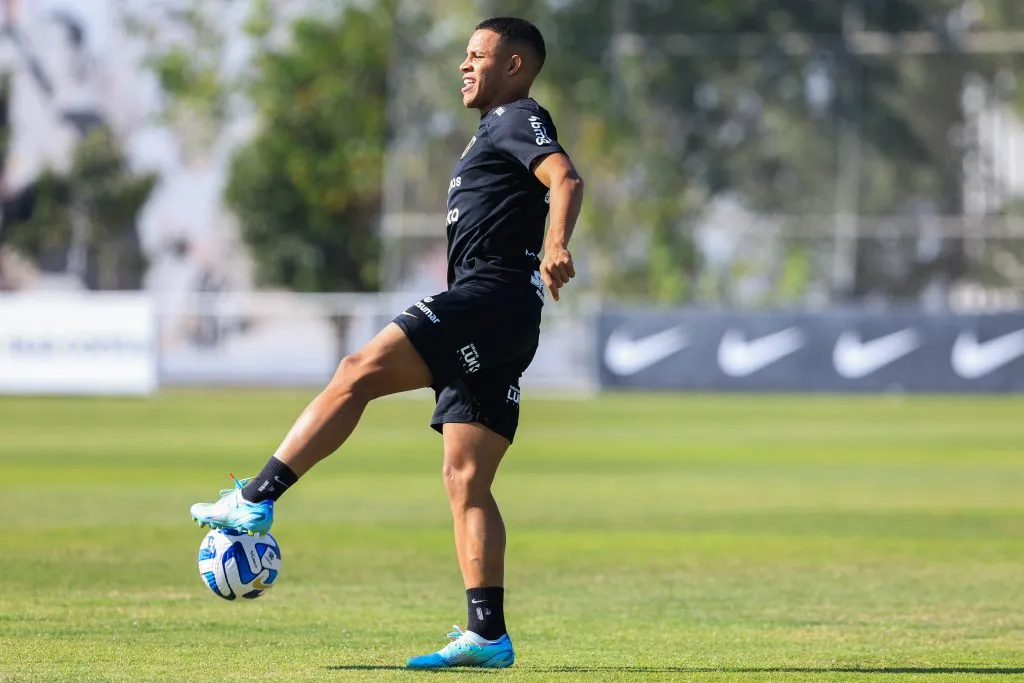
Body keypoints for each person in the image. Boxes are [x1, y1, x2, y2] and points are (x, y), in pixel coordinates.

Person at [190, 16, 584, 670]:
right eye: (463, 54)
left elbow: (565, 179)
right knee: (466, 480)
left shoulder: (518, 116)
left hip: (491, 301)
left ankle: (255, 498)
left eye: (477, 54)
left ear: (514, 65)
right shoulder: (491, 130)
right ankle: (488, 634)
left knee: (357, 370)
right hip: (506, 318)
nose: (464, 65)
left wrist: (556, 244)